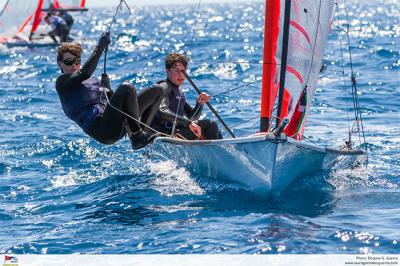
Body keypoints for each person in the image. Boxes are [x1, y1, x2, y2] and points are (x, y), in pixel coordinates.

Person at [55, 33, 163, 150]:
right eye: (69, 62)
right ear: (60, 64)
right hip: (102, 130)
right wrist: (100, 47)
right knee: (127, 87)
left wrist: (108, 89)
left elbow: (112, 104)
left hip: (116, 123)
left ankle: (142, 136)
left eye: (77, 61)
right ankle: (138, 136)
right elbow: (85, 73)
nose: (74, 65)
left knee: (157, 90)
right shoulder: (62, 83)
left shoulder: (91, 80)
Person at [150, 53, 223, 140]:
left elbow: (192, 118)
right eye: (177, 70)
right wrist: (189, 124)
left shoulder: (179, 92)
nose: (181, 74)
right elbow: (162, 111)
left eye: (183, 71)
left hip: (176, 133)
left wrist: (199, 104)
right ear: (168, 70)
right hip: (163, 135)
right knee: (210, 125)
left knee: (213, 130)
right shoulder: (163, 87)